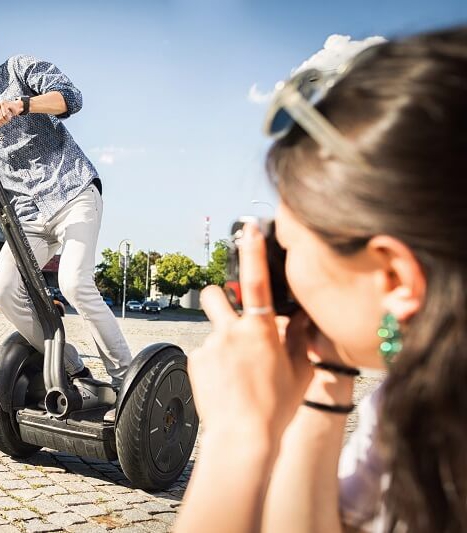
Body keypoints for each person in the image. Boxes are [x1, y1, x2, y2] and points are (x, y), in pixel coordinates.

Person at [175, 25, 467, 533]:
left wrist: (237, 439)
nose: (281, 266)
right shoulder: (415, 393)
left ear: (395, 277)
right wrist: (327, 377)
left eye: (289, 246)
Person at [0, 18, 132, 417]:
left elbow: (72, 97)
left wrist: (21, 105)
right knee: (2, 290)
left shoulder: (19, 70)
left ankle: (127, 384)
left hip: (72, 190)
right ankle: (73, 366)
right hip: (27, 213)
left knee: (73, 282)